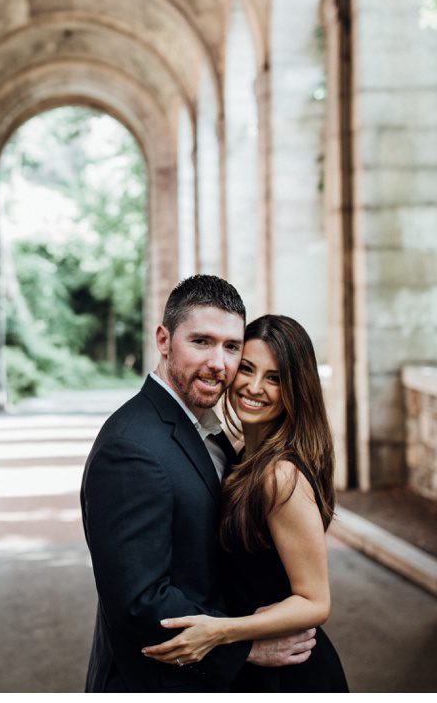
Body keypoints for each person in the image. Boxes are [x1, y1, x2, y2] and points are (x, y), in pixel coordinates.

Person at [80, 276, 316, 693]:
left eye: (231, 347)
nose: (218, 363)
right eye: (201, 342)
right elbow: (139, 602)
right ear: (164, 340)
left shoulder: (213, 432)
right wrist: (244, 647)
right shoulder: (131, 447)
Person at [139, 314, 349, 691]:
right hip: (254, 669)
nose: (254, 387)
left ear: (296, 389)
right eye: (247, 369)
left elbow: (315, 601)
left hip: (290, 674)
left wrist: (222, 632)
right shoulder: (240, 455)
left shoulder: (279, 475)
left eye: (274, 378)